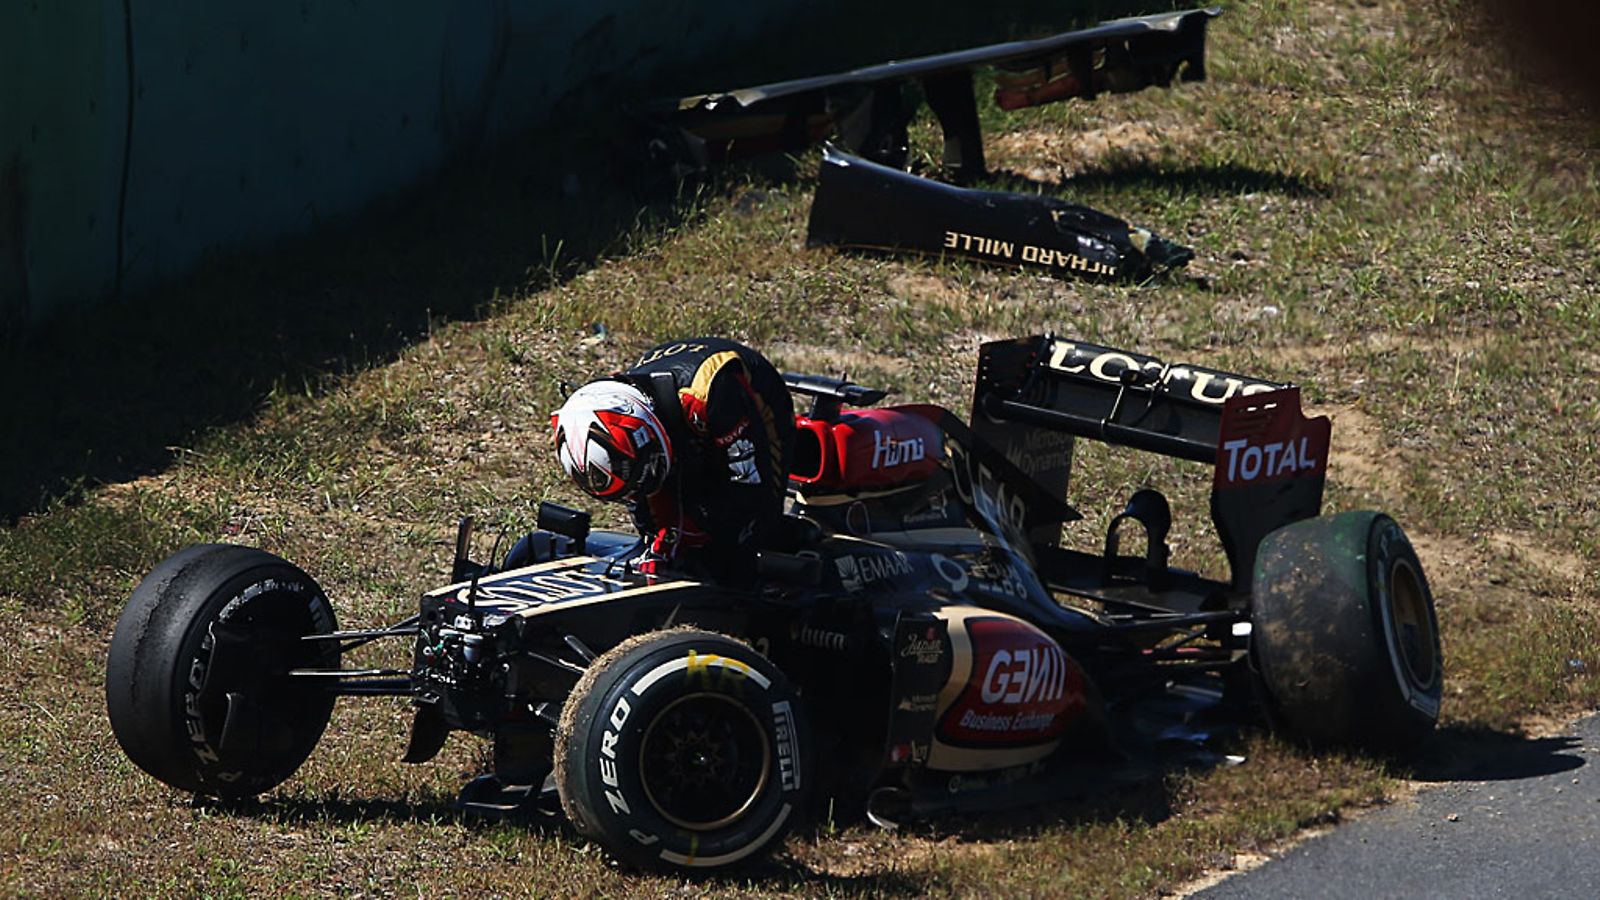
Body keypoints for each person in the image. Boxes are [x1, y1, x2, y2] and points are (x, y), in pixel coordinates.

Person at [550, 337, 795, 582]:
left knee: (753, 527)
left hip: (753, 405)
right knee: (662, 526)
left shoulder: (707, 394)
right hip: (680, 415)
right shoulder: (614, 410)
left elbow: (747, 482)